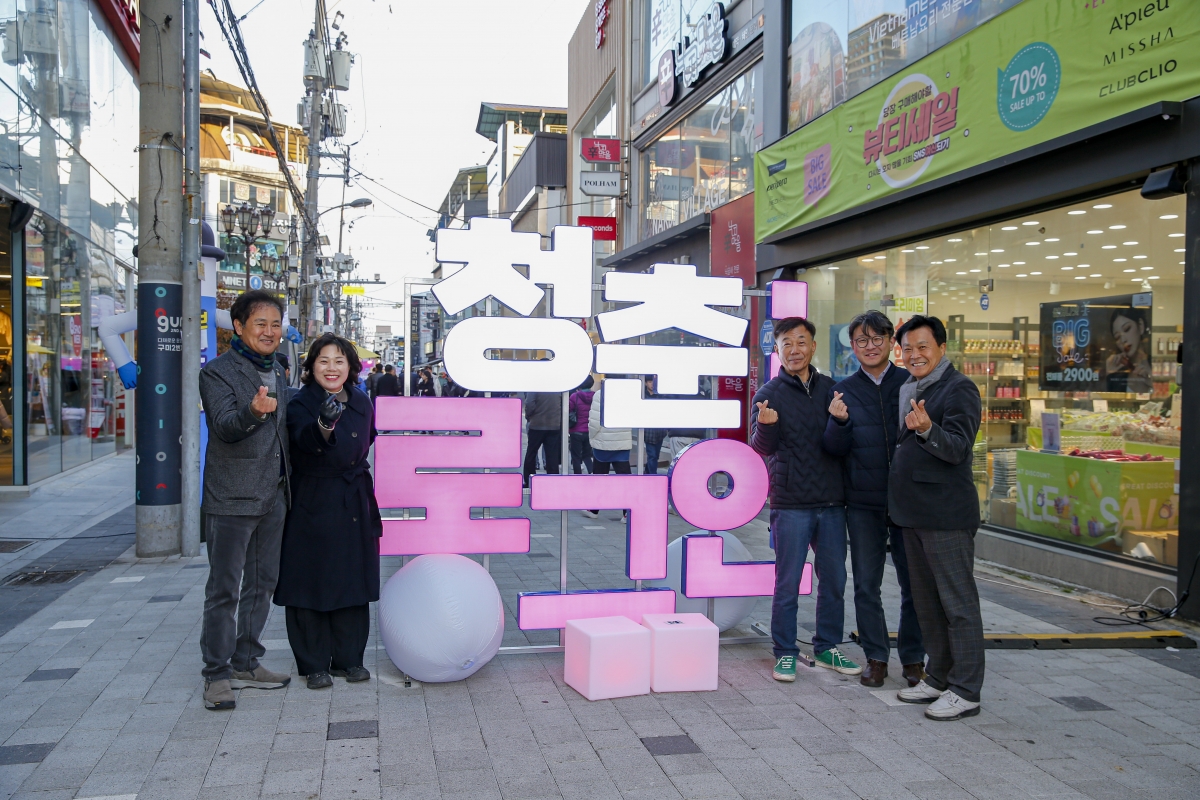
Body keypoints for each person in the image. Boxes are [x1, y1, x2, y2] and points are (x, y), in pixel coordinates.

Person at [198, 290, 293, 711]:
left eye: (275, 324)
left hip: (274, 496)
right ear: (238, 326)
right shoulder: (216, 373)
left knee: (263, 585)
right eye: (261, 324)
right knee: (224, 591)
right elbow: (223, 427)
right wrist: (254, 412)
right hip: (231, 499)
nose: (270, 332)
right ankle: (216, 675)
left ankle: (247, 661)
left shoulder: (281, 371)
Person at [750, 317, 859, 682]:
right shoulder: (768, 394)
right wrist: (765, 425)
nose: (794, 349)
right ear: (777, 350)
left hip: (831, 501)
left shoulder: (834, 390)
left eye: (801, 341)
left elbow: (838, 448)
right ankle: (784, 651)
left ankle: (827, 646)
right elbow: (762, 449)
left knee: (834, 580)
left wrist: (840, 422)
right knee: (788, 581)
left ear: (813, 346)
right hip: (791, 502)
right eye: (787, 343)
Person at [889, 315, 985, 721]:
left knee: (957, 604)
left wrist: (929, 430)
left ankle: (966, 689)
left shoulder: (959, 388)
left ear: (942, 348)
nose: (914, 354)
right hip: (911, 514)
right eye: (908, 348)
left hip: (945, 515)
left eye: (923, 346)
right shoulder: (909, 387)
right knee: (926, 603)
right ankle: (938, 677)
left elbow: (959, 448)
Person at [274, 333, 382, 690]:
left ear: (351, 366)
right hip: (313, 498)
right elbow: (304, 443)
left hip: (353, 498)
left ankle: (350, 658)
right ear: (311, 367)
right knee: (311, 579)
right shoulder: (300, 402)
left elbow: (367, 441)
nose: (331, 368)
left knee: (352, 578)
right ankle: (313, 662)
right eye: (323, 361)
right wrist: (324, 424)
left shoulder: (363, 401)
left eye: (339, 361)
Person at [823, 311, 925, 688]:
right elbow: (833, 450)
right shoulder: (843, 389)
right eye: (862, 340)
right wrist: (838, 423)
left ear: (890, 342)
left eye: (877, 338)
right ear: (853, 347)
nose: (870, 346)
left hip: (908, 501)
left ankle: (914, 658)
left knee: (915, 584)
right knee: (867, 584)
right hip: (863, 504)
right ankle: (876, 656)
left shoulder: (912, 383)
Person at [586, 377, 631, 520]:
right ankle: (627, 512)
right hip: (622, 443)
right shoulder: (627, 395)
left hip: (603, 442)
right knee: (625, 480)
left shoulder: (600, 394)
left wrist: (592, 437)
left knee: (600, 477)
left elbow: (594, 421)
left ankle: (594, 510)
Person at [1105, 307, 1152, 394]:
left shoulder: (1157, 366)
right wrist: (1109, 375)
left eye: (1127, 329)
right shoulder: (1119, 374)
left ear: (1141, 326)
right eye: (1117, 337)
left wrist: (1152, 382)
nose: (1123, 340)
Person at [522, 390, 562, 485]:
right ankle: (553, 480)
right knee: (552, 456)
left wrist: (529, 416)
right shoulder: (558, 388)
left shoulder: (536, 387)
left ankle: (529, 480)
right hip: (554, 424)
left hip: (537, 424)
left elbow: (529, 403)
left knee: (531, 453)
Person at [568, 376, 595, 474]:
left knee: (576, 456)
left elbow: (569, 411)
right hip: (590, 430)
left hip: (576, 431)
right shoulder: (595, 396)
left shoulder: (574, 396)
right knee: (587, 455)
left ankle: (577, 475)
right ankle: (592, 472)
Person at [642, 376, 667, 474]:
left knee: (655, 455)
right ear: (645, 383)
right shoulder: (643, 396)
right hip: (648, 431)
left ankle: (647, 472)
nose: (652, 384)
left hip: (659, 430)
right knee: (652, 455)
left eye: (653, 382)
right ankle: (653, 476)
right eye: (649, 382)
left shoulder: (661, 396)